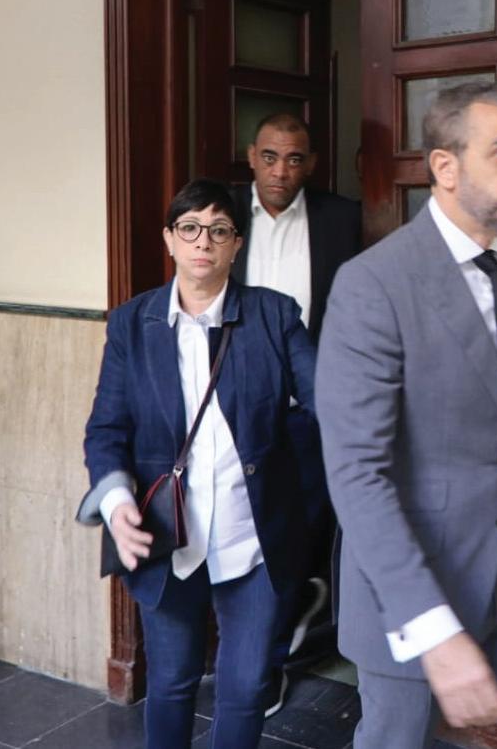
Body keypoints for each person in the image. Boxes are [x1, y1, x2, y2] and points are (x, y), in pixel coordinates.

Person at [314, 83, 497, 747]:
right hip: (415, 582)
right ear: (446, 167)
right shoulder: (372, 284)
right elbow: (356, 472)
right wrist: (433, 630)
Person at [81, 178, 318, 749]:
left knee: (247, 689)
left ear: (237, 244)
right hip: (167, 539)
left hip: (253, 539)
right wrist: (116, 503)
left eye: (218, 230)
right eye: (189, 228)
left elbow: (329, 402)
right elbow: (106, 430)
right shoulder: (132, 324)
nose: (203, 242)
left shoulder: (274, 315)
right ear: (169, 239)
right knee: (170, 684)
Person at [232, 113, 361, 677]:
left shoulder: (343, 219)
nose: (280, 171)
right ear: (251, 156)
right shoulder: (221, 213)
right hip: (236, 406)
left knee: (297, 531)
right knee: (243, 534)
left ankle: (272, 661)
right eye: (269, 157)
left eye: (293, 159)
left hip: (309, 411)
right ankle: (257, 648)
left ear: (310, 163)